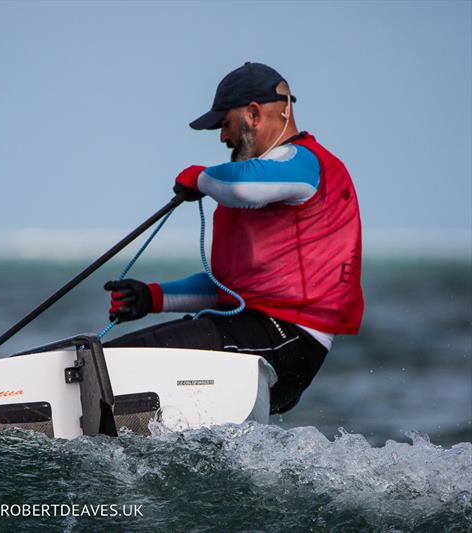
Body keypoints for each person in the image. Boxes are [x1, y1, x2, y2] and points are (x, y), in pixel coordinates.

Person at [103, 62, 363, 414]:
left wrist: (199, 177)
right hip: (262, 336)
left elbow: (239, 184)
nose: (222, 138)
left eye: (224, 124)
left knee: (107, 364)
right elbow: (232, 287)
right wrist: (152, 297)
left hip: (285, 339)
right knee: (108, 361)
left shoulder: (306, 163)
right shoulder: (271, 185)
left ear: (254, 113)